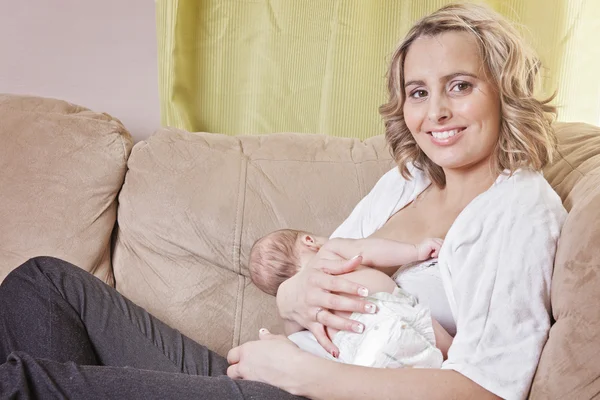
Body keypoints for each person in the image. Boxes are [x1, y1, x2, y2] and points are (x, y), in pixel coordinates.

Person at [0, 3, 567, 400]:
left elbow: (483, 390)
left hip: (311, 390)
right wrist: (296, 295)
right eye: (419, 92)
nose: (435, 112)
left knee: (20, 382)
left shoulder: (519, 210)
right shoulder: (406, 180)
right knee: (43, 283)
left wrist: (303, 375)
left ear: (504, 90)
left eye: (460, 86)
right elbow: (306, 284)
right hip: (275, 373)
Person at [248, 229, 447, 367]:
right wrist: (415, 250)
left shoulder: (300, 314)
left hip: (363, 358)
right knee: (454, 356)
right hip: (391, 315)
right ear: (309, 240)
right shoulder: (329, 250)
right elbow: (369, 250)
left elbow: (294, 338)